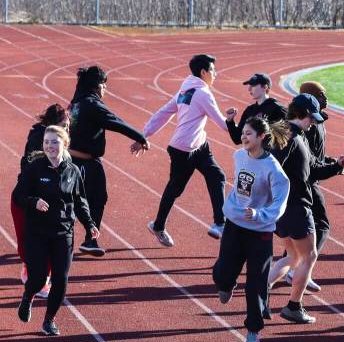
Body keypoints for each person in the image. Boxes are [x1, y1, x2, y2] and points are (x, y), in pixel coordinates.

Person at [213, 118, 290, 342]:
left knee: (256, 284)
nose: (244, 137)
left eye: (248, 134)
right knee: (222, 274)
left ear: (261, 138)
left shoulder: (274, 170)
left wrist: (259, 214)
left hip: (260, 233)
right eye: (243, 133)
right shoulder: (239, 156)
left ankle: (253, 331)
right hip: (235, 225)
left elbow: (280, 204)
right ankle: (227, 283)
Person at [14, 126, 98, 336]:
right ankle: (28, 296)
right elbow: (18, 195)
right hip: (37, 233)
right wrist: (34, 201)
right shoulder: (35, 168)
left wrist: (89, 224)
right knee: (38, 279)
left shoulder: (73, 171)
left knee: (61, 280)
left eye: (54, 142)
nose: (49, 146)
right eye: (46, 142)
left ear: (65, 144)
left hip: (63, 233)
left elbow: (80, 201)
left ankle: (49, 320)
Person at [144, 53, 230, 246]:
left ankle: (219, 223)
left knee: (217, 176)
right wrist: (242, 129)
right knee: (175, 189)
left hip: (199, 145)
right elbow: (223, 124)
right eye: (213, 71)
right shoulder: (202, 93)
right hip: (183, 149)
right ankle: (158, 225)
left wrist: (145, 134)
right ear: (203, 72)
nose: (216, 74)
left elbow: (163, 112)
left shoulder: (186, 90)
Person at [67, 65, 149, 257]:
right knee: (88, 200)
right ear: (97, 86)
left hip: (75, 160)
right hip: (85, 163)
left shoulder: (77, 102)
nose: (106, 89)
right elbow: (116, 122)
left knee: (83, 199)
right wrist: (141, 137)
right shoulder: (93, 105)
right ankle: (89, 238)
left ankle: (87, 238)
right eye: (104, 85)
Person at [266, 94, 328, 325]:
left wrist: (336, 167)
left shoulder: (288, 133)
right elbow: (274, 168)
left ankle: (261, 293)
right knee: (309, 255)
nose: (313, 122)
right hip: (295, 206)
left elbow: (309, 168)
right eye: (311, 118)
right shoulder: (291, 136)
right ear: (300, 114)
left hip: (284, 207)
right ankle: (294, 306)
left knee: (293, 256)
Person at [296, 80, 344, 292]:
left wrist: (332, 163)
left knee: (300, 231)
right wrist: (333, 167)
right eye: (321, 95)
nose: (325, 99)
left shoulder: (317, 121)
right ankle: (301, 270)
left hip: (309, 179)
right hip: (307, 183)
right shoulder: (309, 125)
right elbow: (309, 161)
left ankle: (293, 266)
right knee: (321, 226)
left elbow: (315, 156)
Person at [14, 104, 69, 294]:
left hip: (53, 201)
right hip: (29, 199)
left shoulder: (62, 146)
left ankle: (42, 276)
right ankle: (34, 273)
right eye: (64, 125)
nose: (67, 129)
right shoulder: (39, 142)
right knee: (30, 241)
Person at [225, 73, 287, 145]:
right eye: (249, 85)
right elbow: (237, 139)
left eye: (253, 85)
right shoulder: (249, 110)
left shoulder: (277, 108)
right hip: (253, 154)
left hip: (270, 155)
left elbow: (289, 134)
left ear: (265, 87)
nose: (249, 89)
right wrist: (230, 121)